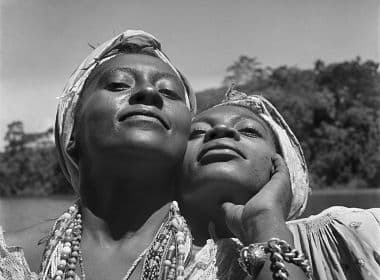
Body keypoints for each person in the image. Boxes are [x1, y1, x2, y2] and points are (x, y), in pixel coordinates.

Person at [0, 30, 197, 280]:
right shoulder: (8, 260)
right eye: (118, 84)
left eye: (168, 92)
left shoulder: (237, 261)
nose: (149, 92)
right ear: (71, 133)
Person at [180, 88, 380, 279]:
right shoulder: (156, 254)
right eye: (197, 132)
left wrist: (264, 223)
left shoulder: (351, 232)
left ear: (282, 165)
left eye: (249, 130)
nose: (221, 131)